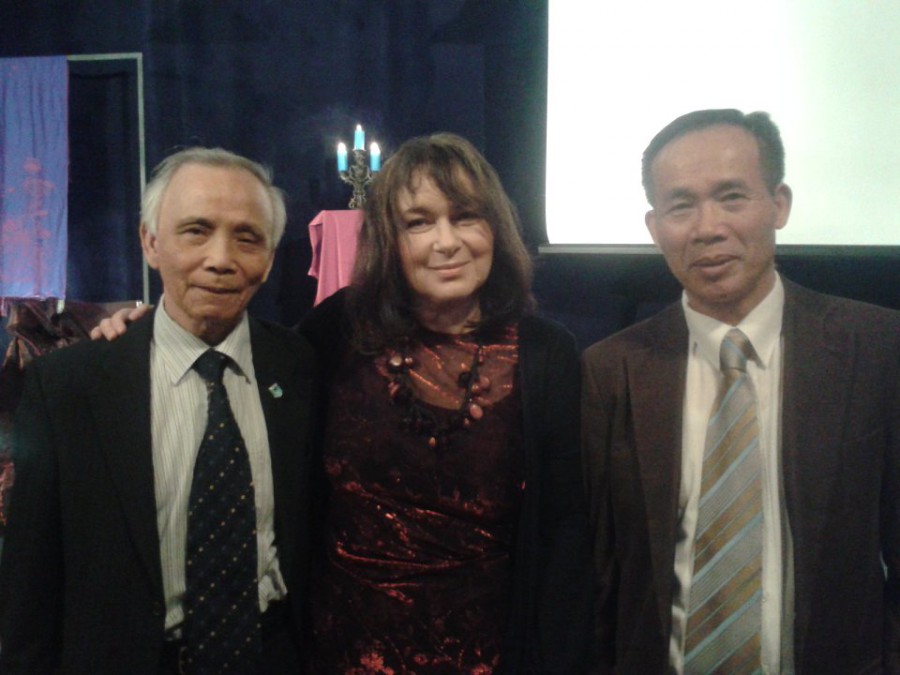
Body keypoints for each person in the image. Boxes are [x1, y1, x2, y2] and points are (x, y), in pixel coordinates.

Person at [582, 108, 900, 673]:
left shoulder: (877, 348)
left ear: (779, 204)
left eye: (732, 197)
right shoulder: (610, 370)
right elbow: (596, 574)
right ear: (655, 227)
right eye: (681, 206)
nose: (708, 227)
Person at [0, 147, 316, 674]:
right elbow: (29, 584)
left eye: (248, 237)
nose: (221, 258)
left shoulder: (302, 366)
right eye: (196, 231)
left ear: (270, 257)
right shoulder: (68, 387)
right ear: (150, 242)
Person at [299, 132, 591, 673]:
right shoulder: (336, 329)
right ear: (388, 238)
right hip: (340, 653)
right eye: (419, 222)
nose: (446, 242)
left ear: (495, 228)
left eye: (466, 217)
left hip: (491, 656)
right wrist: (146, 331)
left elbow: (565, 532)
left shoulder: (547, 353)